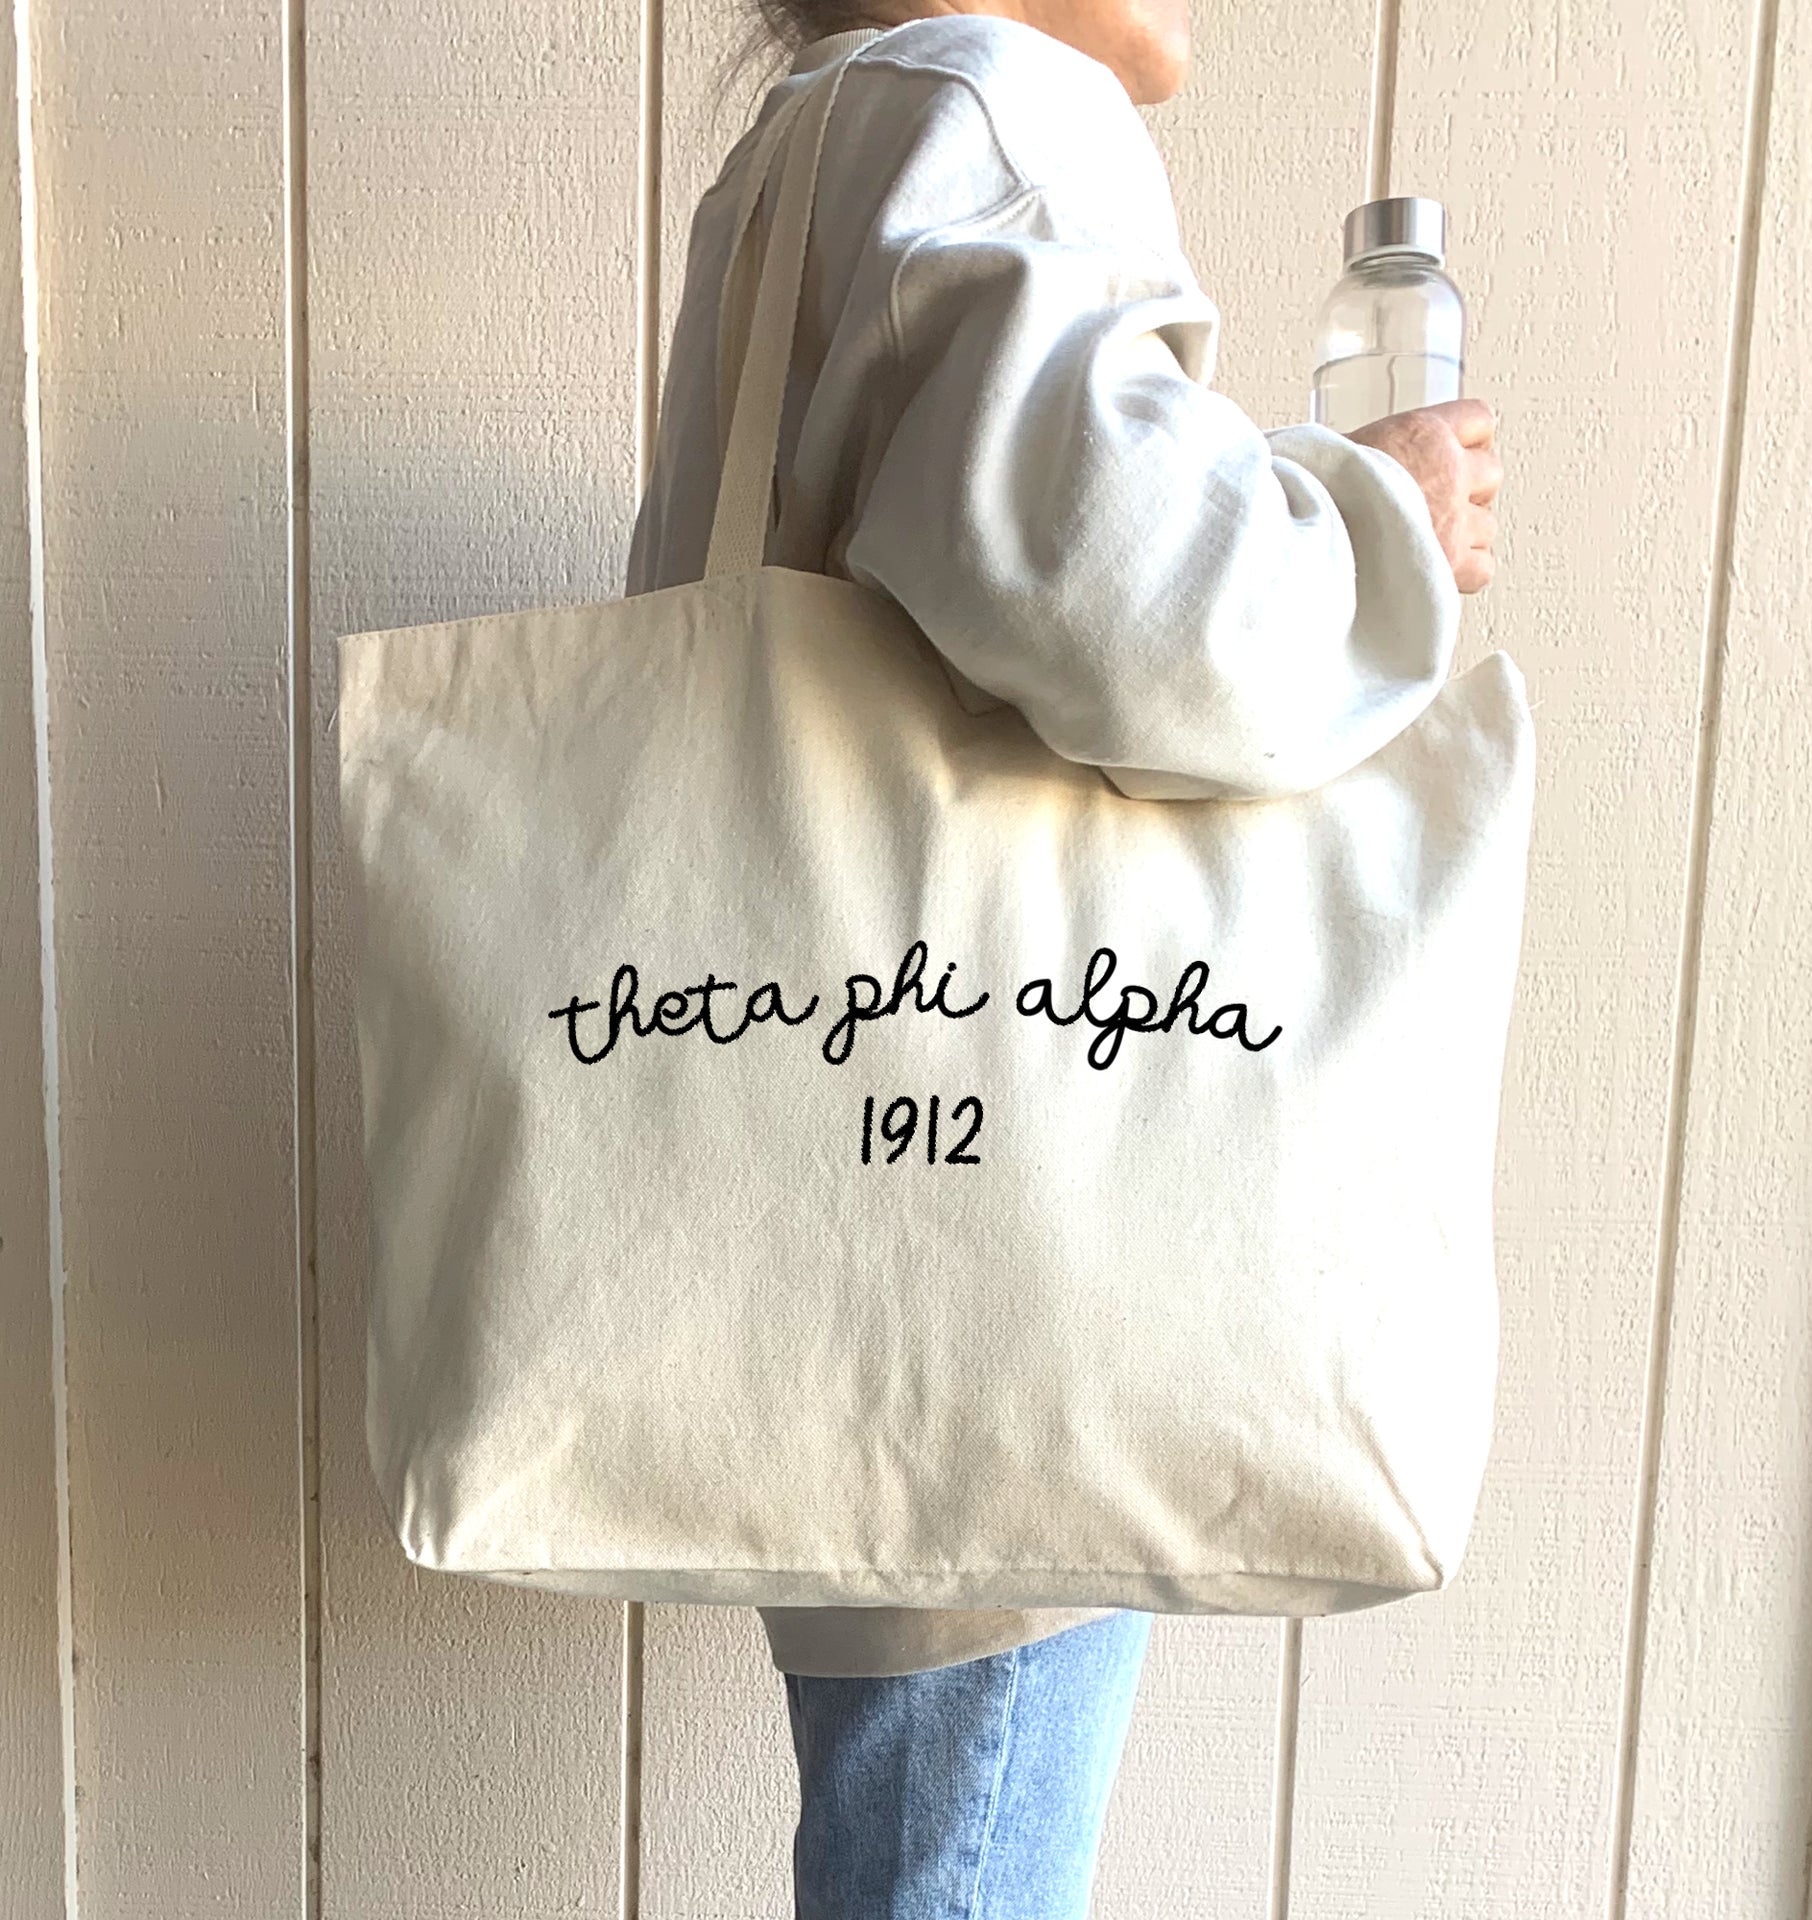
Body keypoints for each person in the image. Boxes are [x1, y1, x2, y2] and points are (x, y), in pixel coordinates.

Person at [626, 4, 1502, 1913]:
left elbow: (996, 544)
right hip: (1010, 1222)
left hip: (856, 1187)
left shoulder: (813, 141)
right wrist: (1386, 526)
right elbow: (1142, 614)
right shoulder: (998, 107)